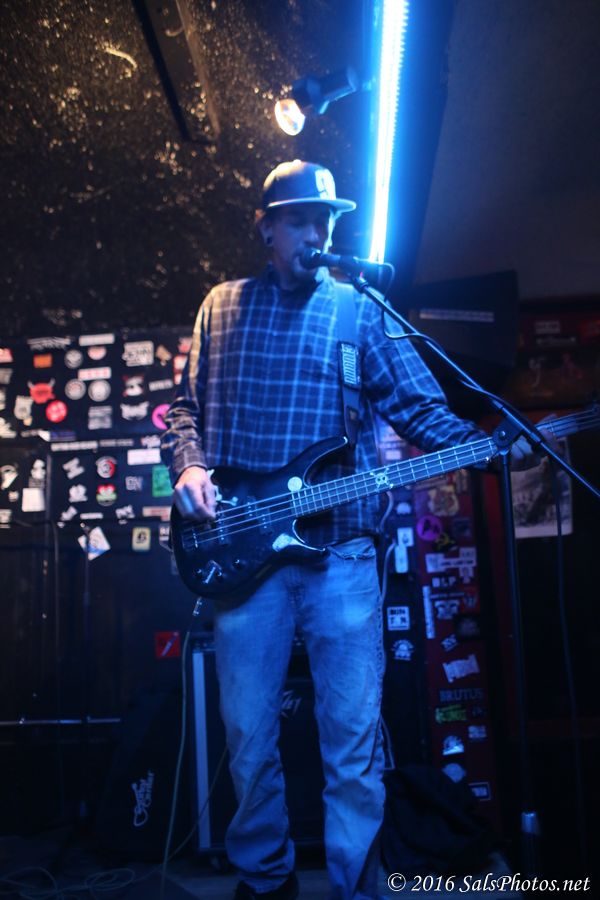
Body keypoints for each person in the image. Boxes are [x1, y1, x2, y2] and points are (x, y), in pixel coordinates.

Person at [160, 159, 531, 900]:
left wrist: (483, 443)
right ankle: (266, 879)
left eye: (324, 221)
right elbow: (184, 410)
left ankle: (358, 885)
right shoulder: (221, 307)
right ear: (266, 227)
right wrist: (188, 466)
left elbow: (419, 408)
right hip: (242, 553)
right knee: (247, 737)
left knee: (353, 741)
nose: (315, 234)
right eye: (299, 219)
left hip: (343, 554)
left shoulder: (360, 308)